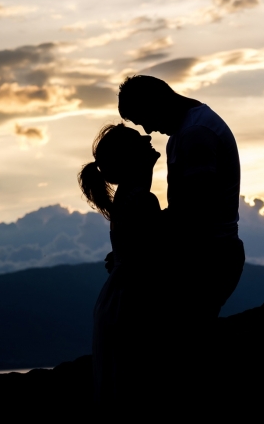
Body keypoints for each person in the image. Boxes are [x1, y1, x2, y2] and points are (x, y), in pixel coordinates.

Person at [117, 75, 244, 326]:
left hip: (207, 259)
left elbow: (194, 211)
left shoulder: (196, 133)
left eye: (145, 120)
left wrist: (136, 247)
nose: (148, 130)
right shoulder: (186, 131)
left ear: (157, 102)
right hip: (203, 255)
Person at [78, 123, 167, 405]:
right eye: (139, 140)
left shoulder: (127, 199)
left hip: (118, 301)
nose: (148, 138)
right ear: (131, 158)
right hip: (133, 304)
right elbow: (157, 259)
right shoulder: (141, 201)